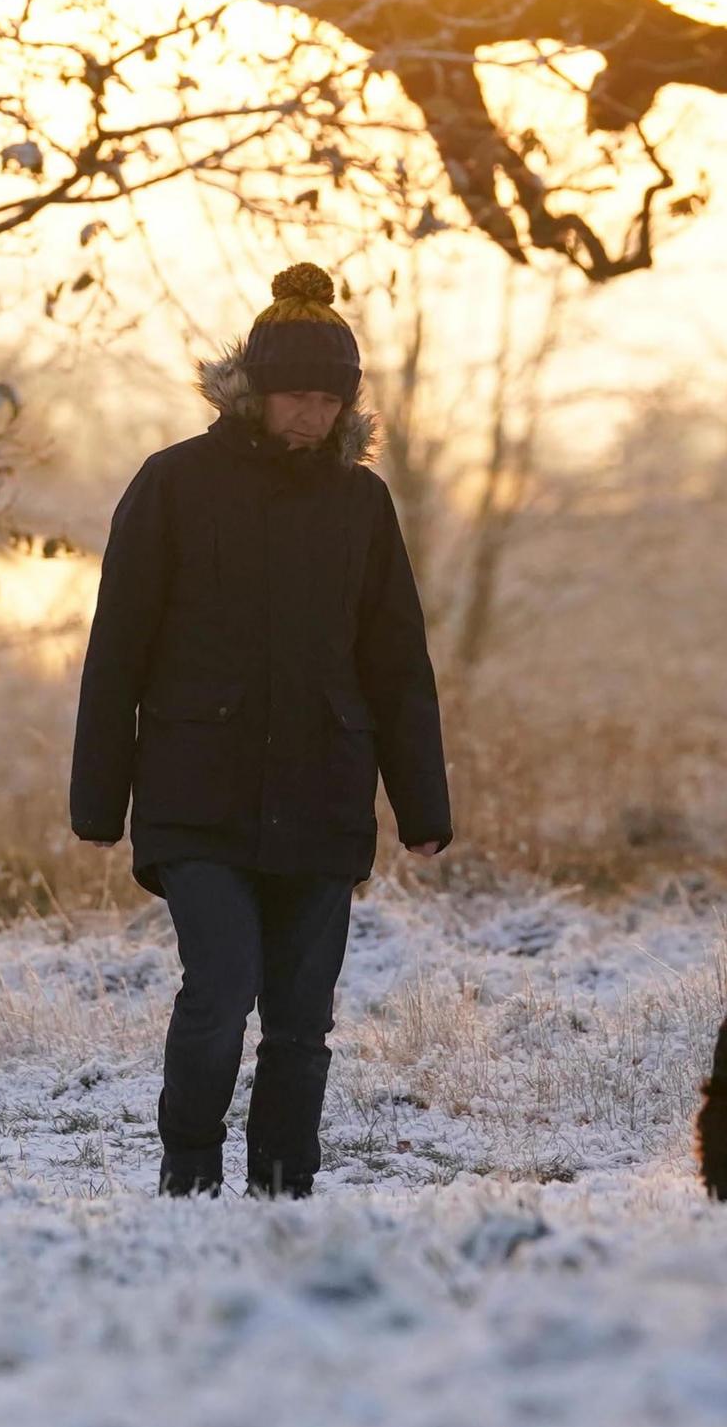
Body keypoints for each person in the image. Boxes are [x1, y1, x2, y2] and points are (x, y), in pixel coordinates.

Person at [68, 263, 452, 1197]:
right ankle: (190, 1175)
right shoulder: (172, 485)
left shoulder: (363, 505)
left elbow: (396, 661)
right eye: (295, 394)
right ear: (253, 388)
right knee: (220, 990)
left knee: (300, 1018)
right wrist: (99, 797)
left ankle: (284, 1189)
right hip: (197, 793)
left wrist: (421, 799)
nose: (310, 416)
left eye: (329, 398)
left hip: (322, 796)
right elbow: (117, 645)